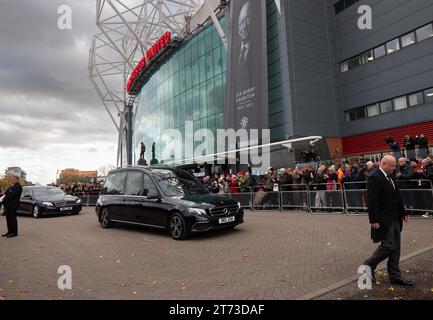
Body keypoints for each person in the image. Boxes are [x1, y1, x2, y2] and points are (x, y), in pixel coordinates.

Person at [363, 155, 415, 286]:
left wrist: (403, 212)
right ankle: (368, 265)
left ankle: (395, 276)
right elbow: (372, 200)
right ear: (384, 164)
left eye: (395, 165)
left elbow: (397, 195)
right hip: (384, 219)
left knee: (396, 247)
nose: (394, 168)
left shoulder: (390, 176)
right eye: (392, 165)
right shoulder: (375, 177)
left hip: (396, 217)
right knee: (389, 245)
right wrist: (373, 220)